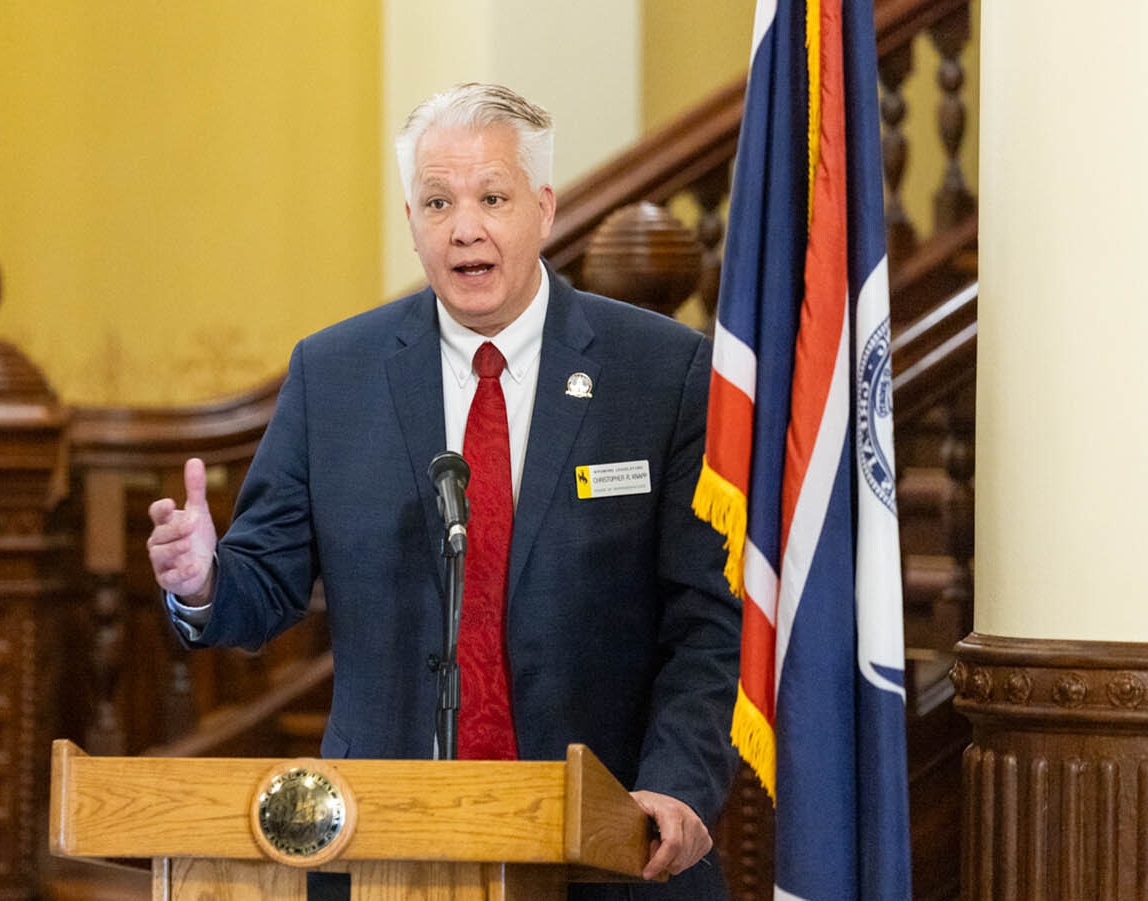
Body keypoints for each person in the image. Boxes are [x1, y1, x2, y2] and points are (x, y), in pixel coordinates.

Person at [147, 83, 739, 899]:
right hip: (385, 845)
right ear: (413, 222)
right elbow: (267, 583)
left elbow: (710, 619)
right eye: (437, 201)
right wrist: (206, 579)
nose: (466, 227)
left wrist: (676, 785)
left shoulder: (660, 372)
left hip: (610, 847)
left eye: (493, 197)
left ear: (544, 207)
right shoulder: (335, 373)